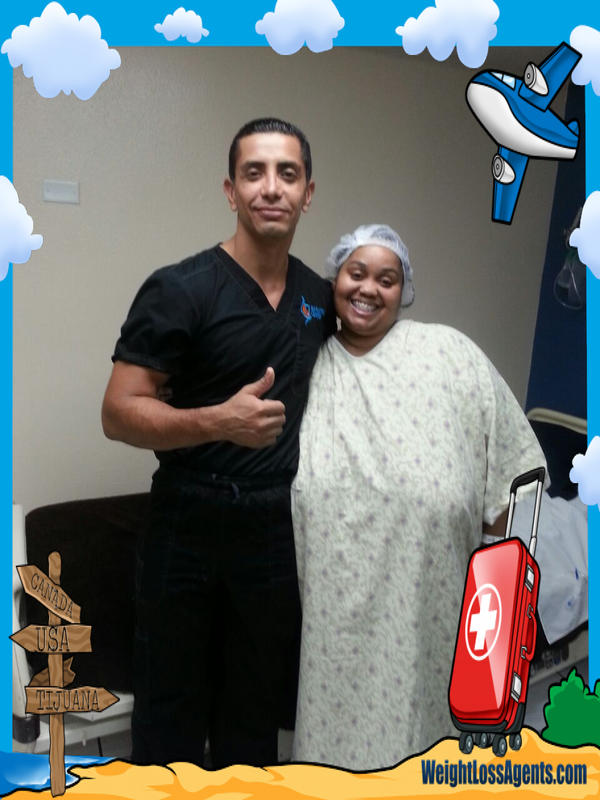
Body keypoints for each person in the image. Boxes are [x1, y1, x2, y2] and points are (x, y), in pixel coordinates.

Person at [101, 118, 335, 769]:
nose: (271, 187)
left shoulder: (319, 299)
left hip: (275, 528)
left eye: (287, 174)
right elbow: (118, 413)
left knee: (254, 716)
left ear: (308, 193)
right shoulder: (181, 288)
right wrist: (217, 422)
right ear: (231, 191)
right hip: (188, 519)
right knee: (169, 718)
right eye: (253, 172)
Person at [290, 223, 546, 770]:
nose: (369, 288)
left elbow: (512, 464)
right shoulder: (309, 363)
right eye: (357, 273)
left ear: (402, 292)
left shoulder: (447, 352)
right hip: (334, 611)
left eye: (387, 279)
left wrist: (496, 583)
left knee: (424, 729)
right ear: (335, 280)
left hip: (434, 597)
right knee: (336, 742)